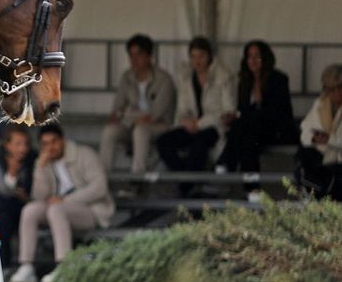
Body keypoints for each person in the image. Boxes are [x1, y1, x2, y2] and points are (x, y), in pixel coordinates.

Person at [10, 124, 114, 282]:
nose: (50, 147)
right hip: (58, 210)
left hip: (92, 210)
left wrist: (66, 200)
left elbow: (100, 187)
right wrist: (41, 168)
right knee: (30, 210)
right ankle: (26, 266)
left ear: (63, 140)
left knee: (56, 209)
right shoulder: (44, 161)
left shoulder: (83, 154)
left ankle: (64, 267)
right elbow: (39, 197)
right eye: (45, 144)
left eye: (54, 142)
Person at [155, 36, 236, 192]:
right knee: (163, 142)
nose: (197, 61)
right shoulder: (186, 77)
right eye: (193, 56)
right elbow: (181, 108)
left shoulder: (224, 76)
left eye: (201, 56)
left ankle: (186, 188)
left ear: (209, 56)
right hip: (191, 125)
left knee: (198, 143)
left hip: (214, 127)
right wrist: (186, 121)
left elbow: (227, 111)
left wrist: (199, 124)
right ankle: (188, 181)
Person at [215, 39, 296, 173]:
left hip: (275, 130)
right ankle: (251, 188)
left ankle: (226, 162)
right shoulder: (245, 81)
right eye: (249, 56)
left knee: (246, 130)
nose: (253, 60)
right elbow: (243, 109)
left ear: (265, 58)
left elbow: (275, 112)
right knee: (248, 138)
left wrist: (241, 116)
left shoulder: (278, 79)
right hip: (252, 131)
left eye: (257, 56)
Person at [99, 34, 176, 175]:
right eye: (131, 55)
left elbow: (154, 115)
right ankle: (104, 177)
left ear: (149, 56)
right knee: (109, 131)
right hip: (131, 124)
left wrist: (126, 116)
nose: (134, 60)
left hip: (160, 126)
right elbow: (116, 109)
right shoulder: (127, 77)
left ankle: (137, 178)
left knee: (141, 130)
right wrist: (126, 117)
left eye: (139, 54)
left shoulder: (164, 80)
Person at [295, 64, 342, 199]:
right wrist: (316, 138)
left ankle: (339, 198)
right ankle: (341, 198)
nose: (334, 93)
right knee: (303, 163)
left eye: (338, 88)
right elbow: (305, 131)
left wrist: (330, 139)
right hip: (323, 158)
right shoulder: (321, 102)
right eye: (329, 89)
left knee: (315, 177)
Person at [0, 125, 36, 267]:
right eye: (18, 144)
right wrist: (12, 171)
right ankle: (1, 262)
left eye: (25, 144)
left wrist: (23, 195)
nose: (22, 148)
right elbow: (2, 189)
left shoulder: (35, 159)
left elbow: (36, 192)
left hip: (28, 207)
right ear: (7, 144)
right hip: (8, 208)